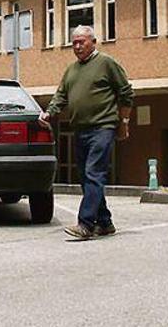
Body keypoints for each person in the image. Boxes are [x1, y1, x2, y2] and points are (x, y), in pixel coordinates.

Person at [40, 25, 134, 241]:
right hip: (80, 129)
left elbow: (126, 92)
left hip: (103, 127)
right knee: (86, 177)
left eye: (81, 41)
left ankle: (85, 224)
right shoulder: (72, 70)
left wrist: (124, 121)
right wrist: (49, 113)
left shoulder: (106, 63)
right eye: (74, 42)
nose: (77, 46)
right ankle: (105, 222)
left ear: (93, 42)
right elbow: (61, 95)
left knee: (93, 173)